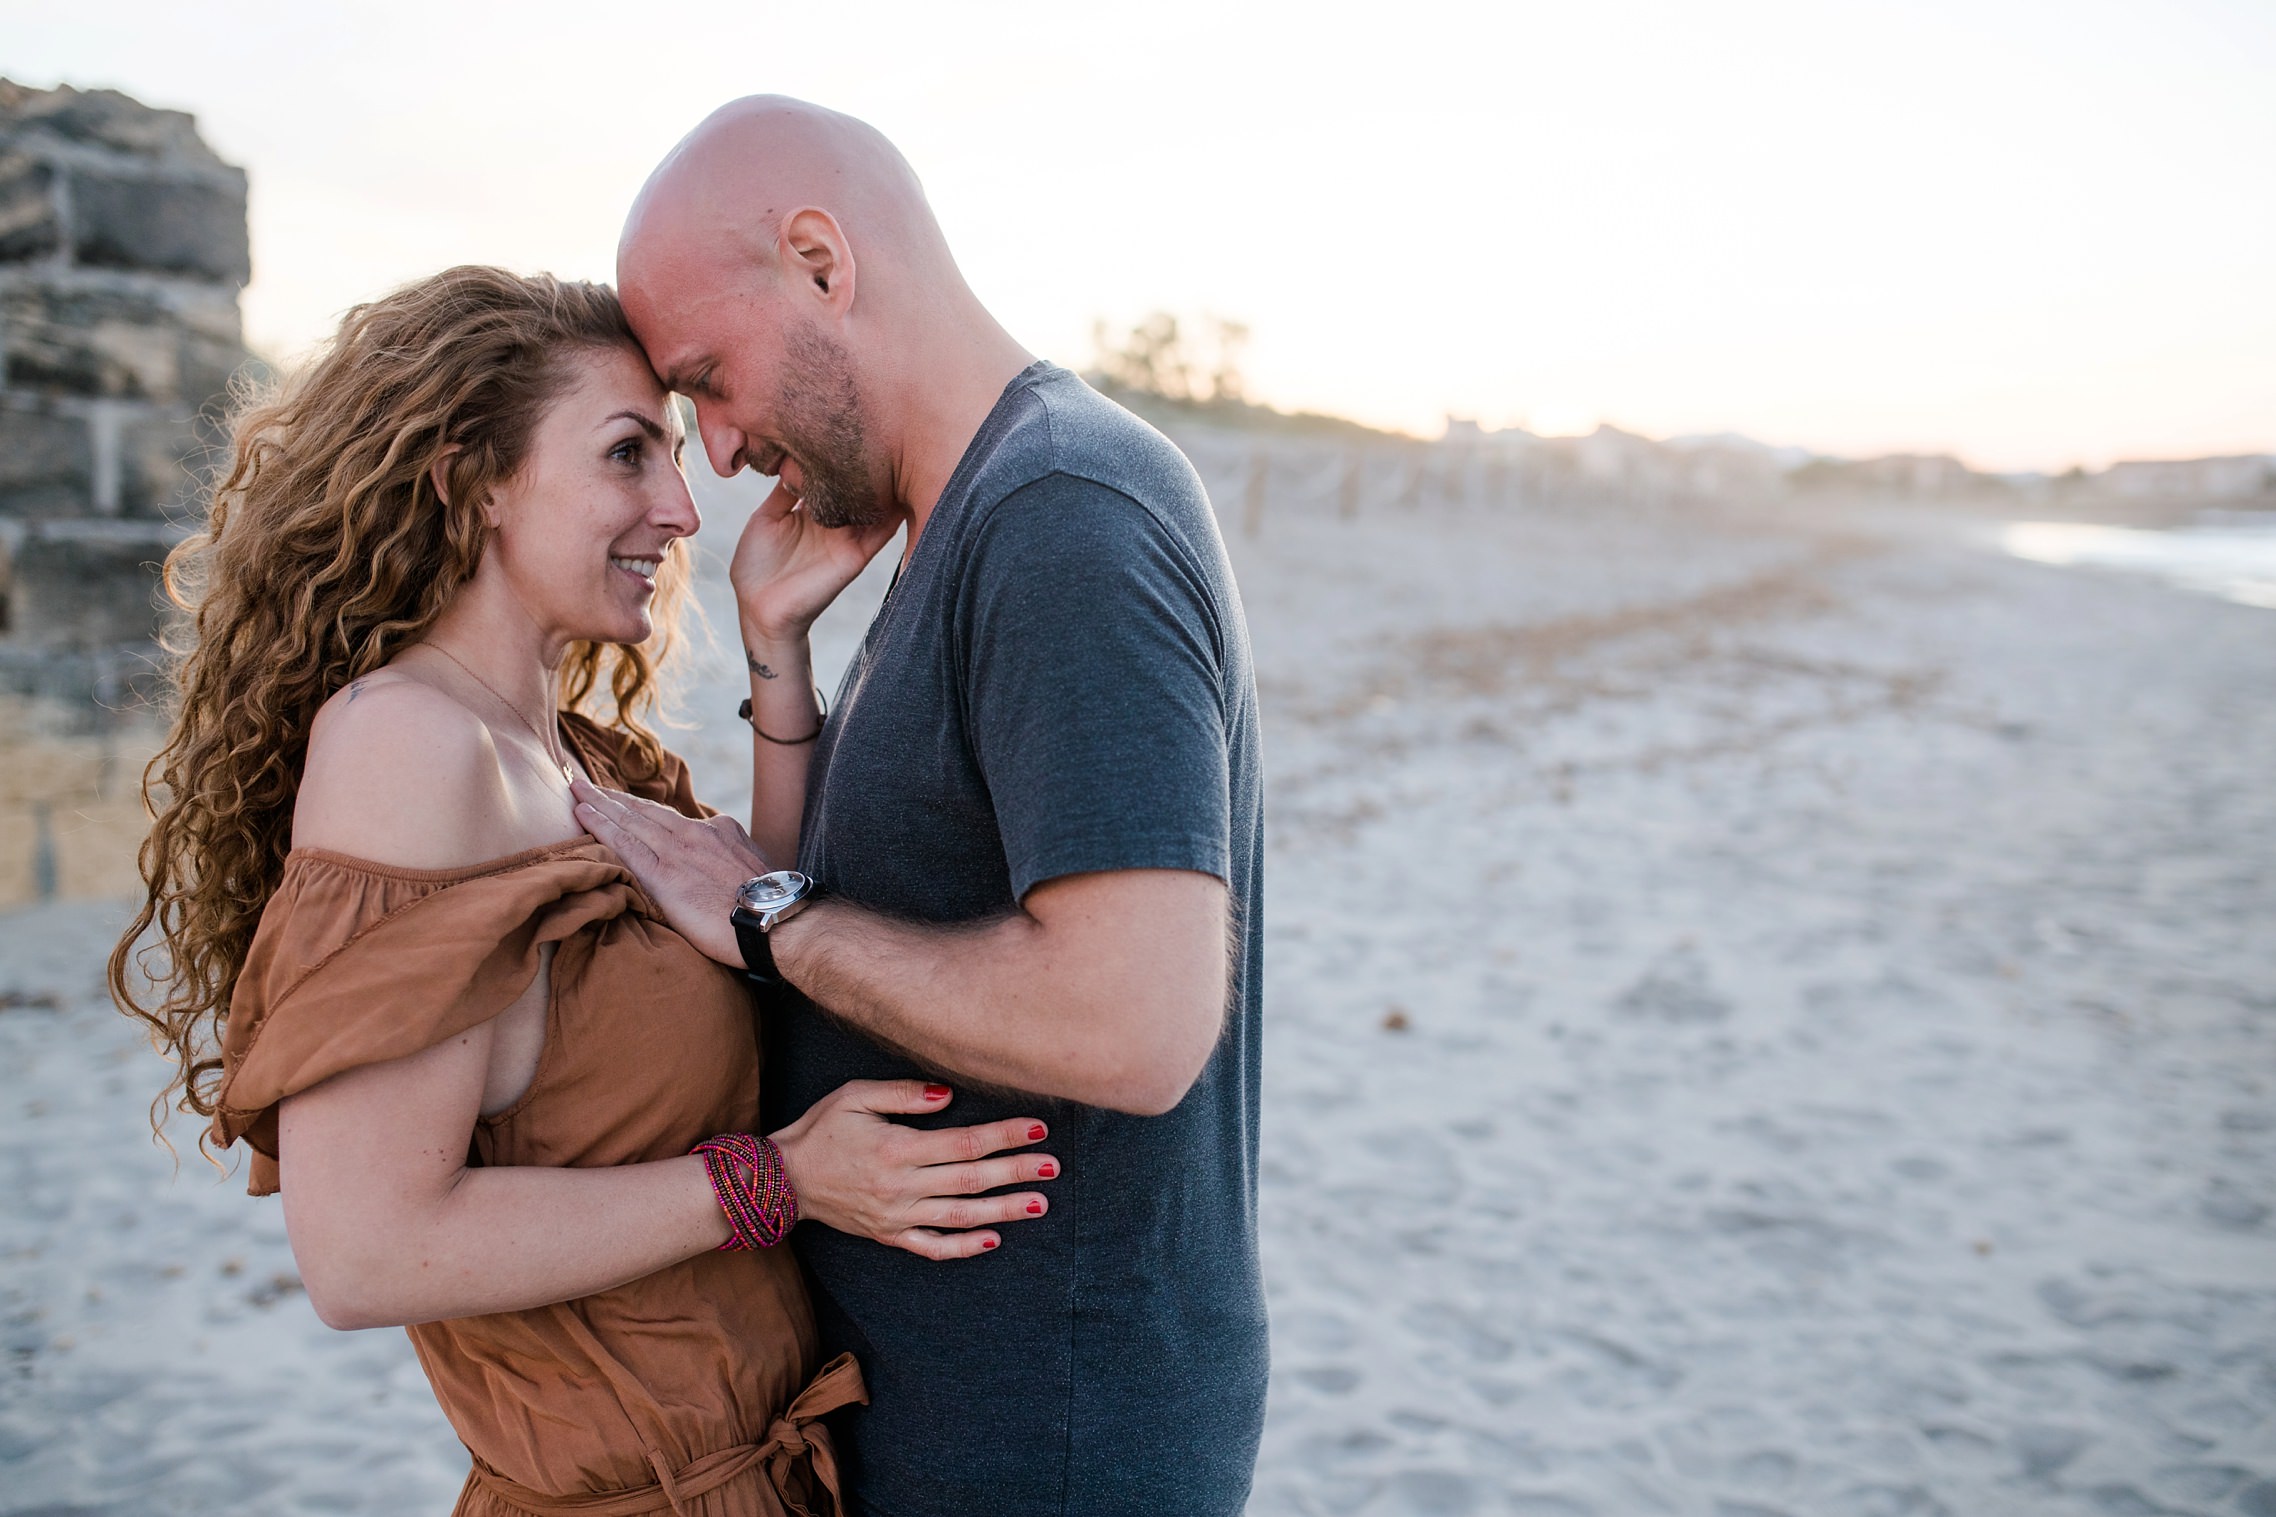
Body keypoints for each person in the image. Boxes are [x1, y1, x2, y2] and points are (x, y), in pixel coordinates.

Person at [109, 265, 1064, 1517]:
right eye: (626, 454)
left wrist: (776, 653)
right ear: (473, 478)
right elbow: (365, 1249)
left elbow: (758, 925)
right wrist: (778, 1179)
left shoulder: (572, 755)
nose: (679, 506)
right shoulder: (405, 744)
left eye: (670, 454)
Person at [576, 98, 1268, 1516]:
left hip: (1046, 1441)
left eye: (709, 378)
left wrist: (769, 918)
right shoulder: (970, 518)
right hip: (970, 1417)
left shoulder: (1064, 516)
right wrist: (780, 661)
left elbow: (1132, 1023)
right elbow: (888, 905)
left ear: (822, 261)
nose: (713, 454)